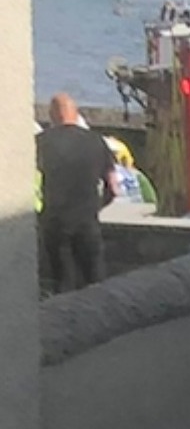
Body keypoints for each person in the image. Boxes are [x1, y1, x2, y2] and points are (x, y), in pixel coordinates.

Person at [35, 93, 116, 292]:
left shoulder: (40, 142)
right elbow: (114, 187)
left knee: (63, 281)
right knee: (94, 281)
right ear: (76, 113)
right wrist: (96, 206)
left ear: (52, 115)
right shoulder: (97, 141)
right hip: (87, 222)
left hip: (55, 223)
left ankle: (65, 320)